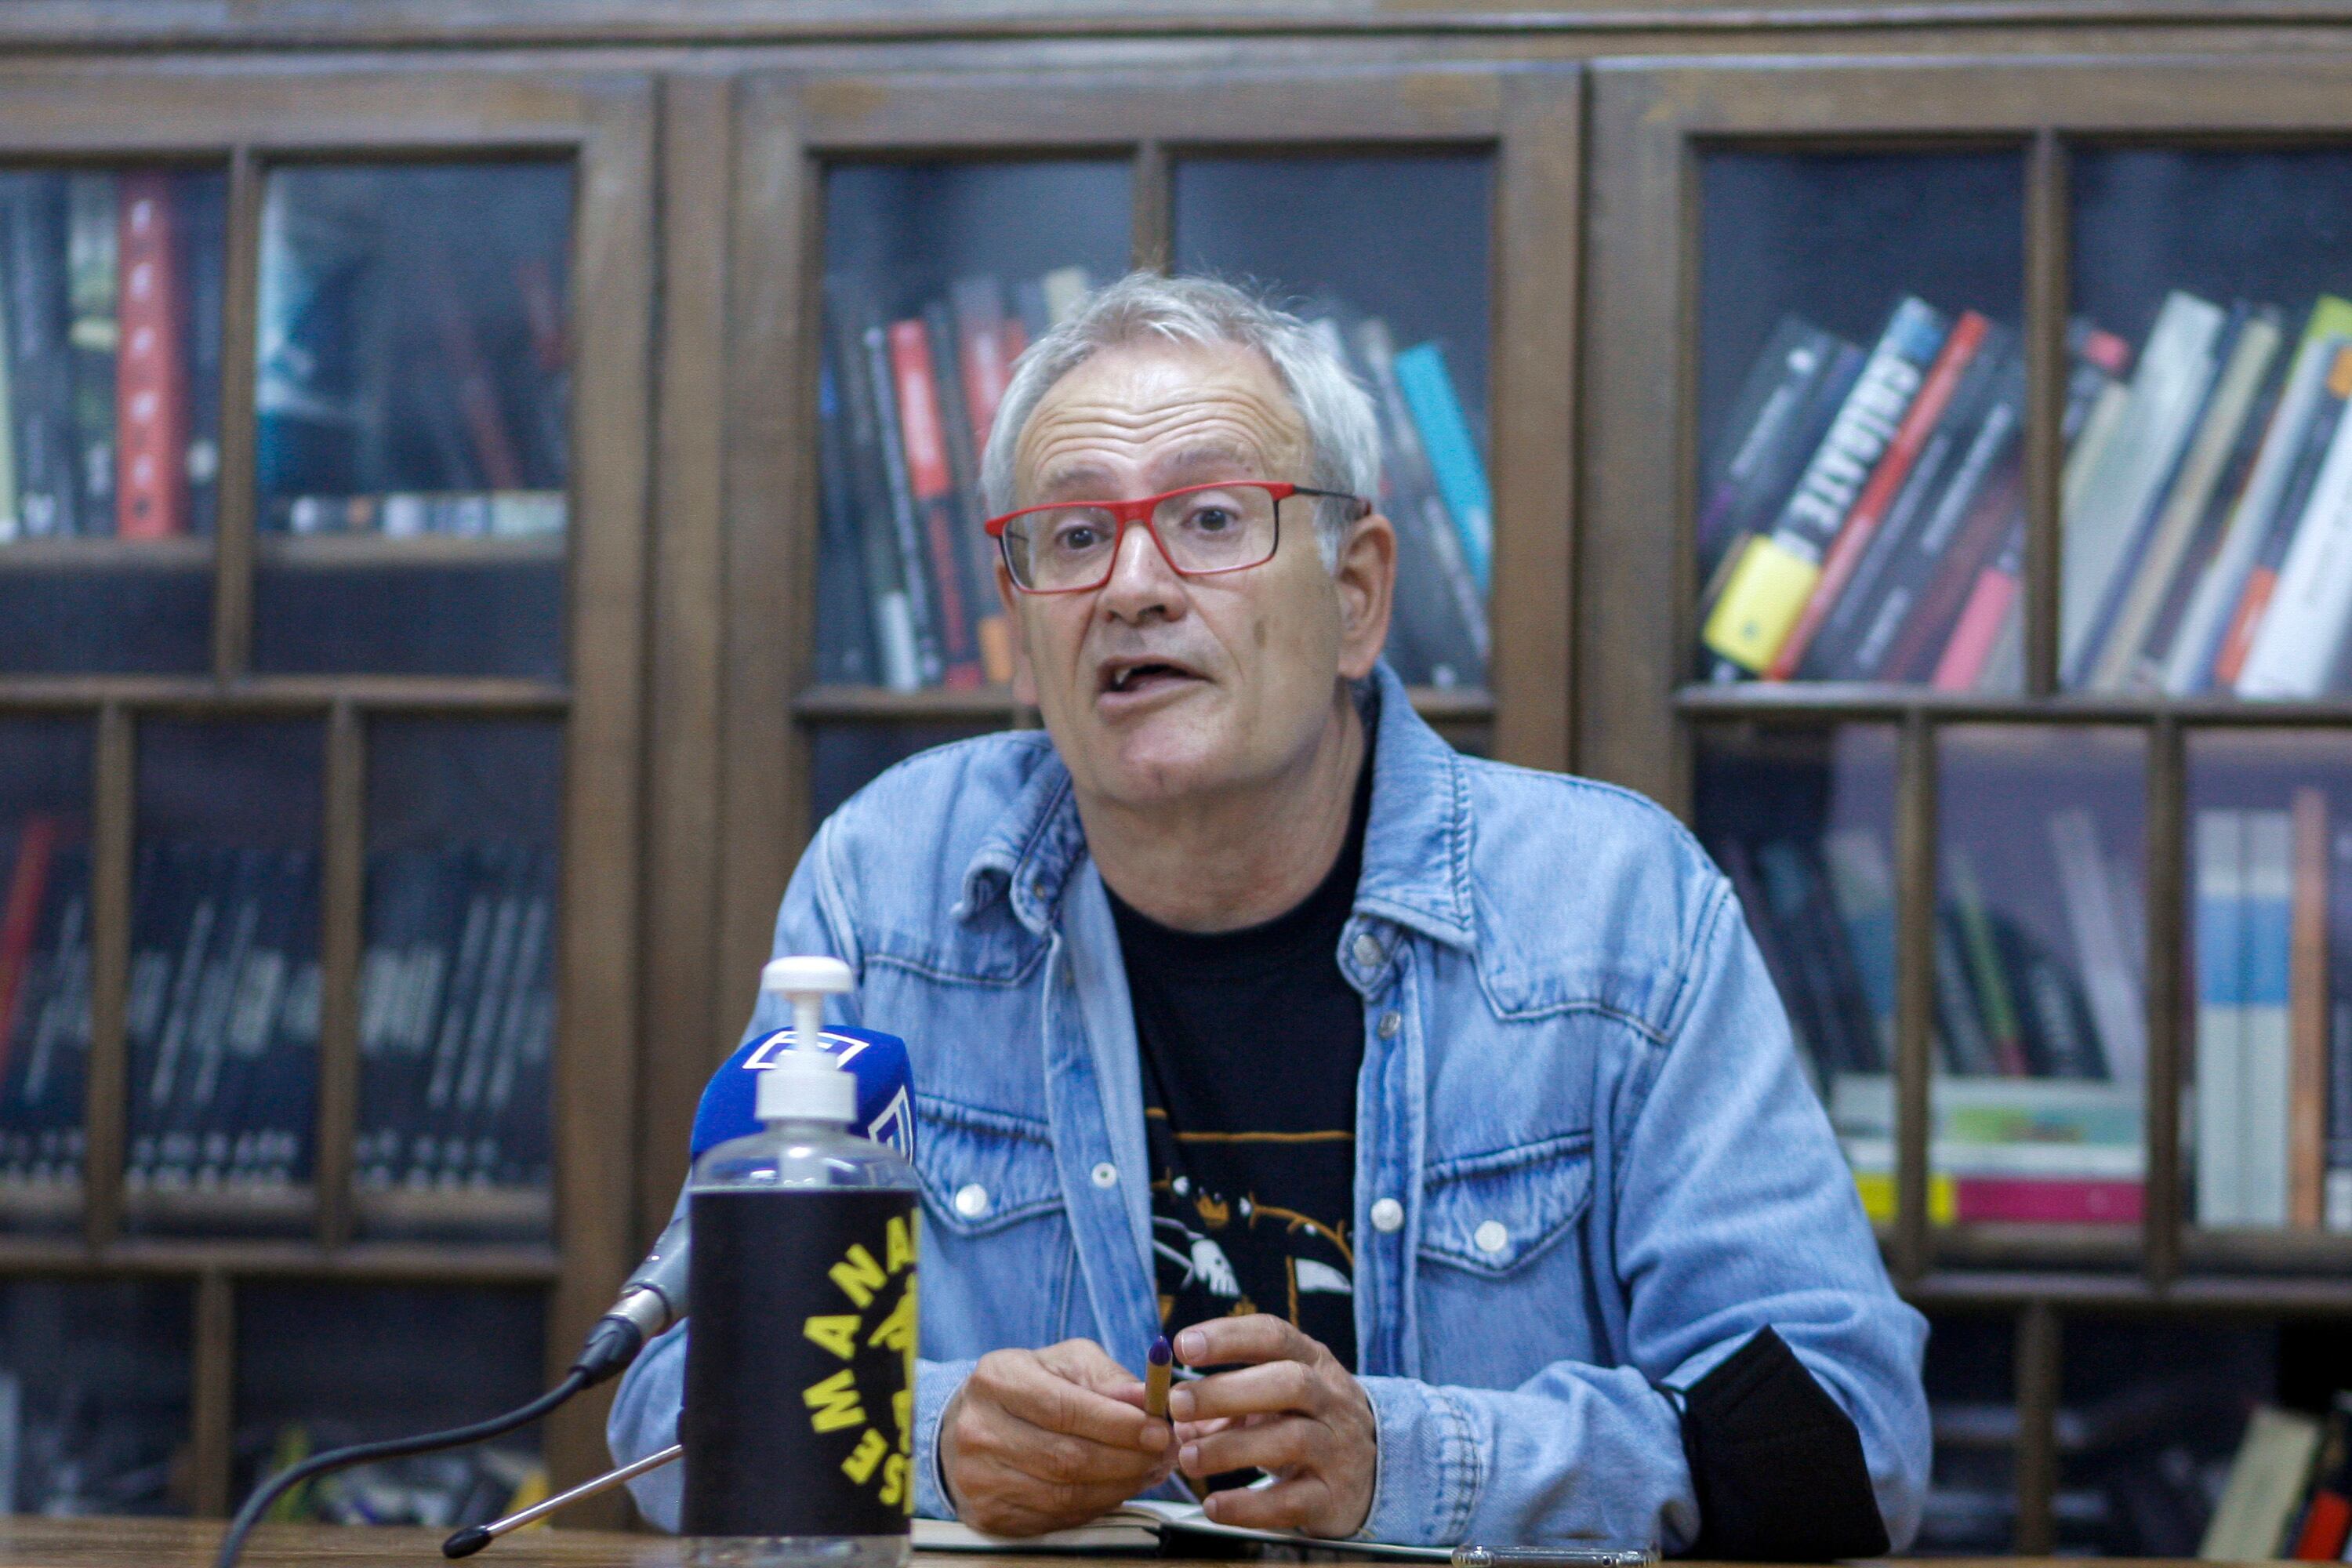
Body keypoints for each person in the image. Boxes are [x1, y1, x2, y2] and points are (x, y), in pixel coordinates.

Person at [608, 271, 1930, 1553]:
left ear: (1355, 596)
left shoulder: (1616, 907)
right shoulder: (891, 880)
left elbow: (1848, 1437)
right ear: (1023, 623)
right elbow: (669, 1397)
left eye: (1212, 519)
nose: (1132, 585)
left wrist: (1400, 1464)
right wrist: (934, 1437)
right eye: (1074, 536)